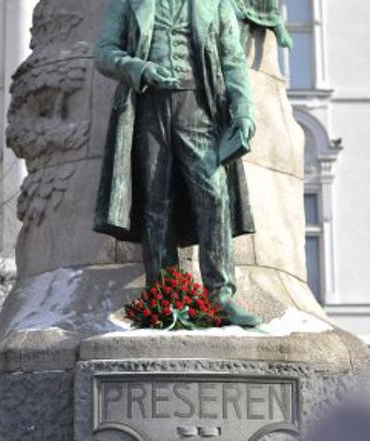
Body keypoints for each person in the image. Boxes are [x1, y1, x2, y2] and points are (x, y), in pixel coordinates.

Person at [93, 0, 261, 326]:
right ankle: (166, 296)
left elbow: (233, 59)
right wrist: (138, 68)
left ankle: (221, 296)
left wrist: (243, 112)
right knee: (156, 203)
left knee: (214, 195)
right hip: (148, 105)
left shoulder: (216, 4)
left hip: (198, 104)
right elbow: (104, 52)